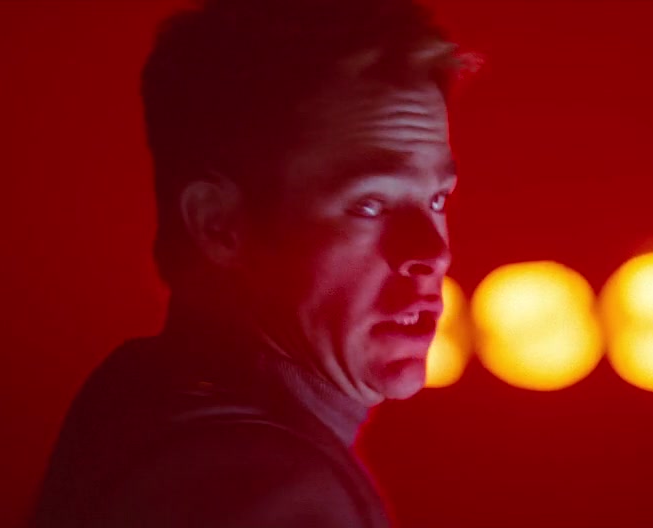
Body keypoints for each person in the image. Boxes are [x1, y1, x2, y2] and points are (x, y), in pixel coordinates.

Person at [31, 0, 473, 525]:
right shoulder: (263, 488)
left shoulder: (141, 403)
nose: (432, 252)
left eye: (437, 199)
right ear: (218, 225)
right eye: (369, 204)